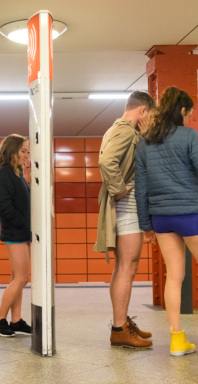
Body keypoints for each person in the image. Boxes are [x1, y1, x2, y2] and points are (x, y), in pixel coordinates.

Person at [136, 87, 196, 356]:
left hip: (161, 218)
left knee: (174, 276)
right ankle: (177, 340)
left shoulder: (145, 142)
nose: (191, 117)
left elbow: (141, 187)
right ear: (182, 111)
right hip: (190, 214)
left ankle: (176, 340)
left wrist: (146, 224)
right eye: (190, 112)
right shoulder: (189, 136)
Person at [94, 90, 156, 349]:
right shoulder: (125, 130)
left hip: (123, 207)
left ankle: (121, 322)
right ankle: (119, 329)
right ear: (142, 110)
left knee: (122, 266)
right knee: (128, 267)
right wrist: (120, 188)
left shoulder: (119, 129)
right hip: (127, 206)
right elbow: (107, 161)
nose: (151, 119)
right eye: (151, 114)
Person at [0, 134, 32, 337]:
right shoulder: (4, 173)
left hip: (23, 232)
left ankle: (15, 320)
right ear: (12, 151)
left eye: (27, 151)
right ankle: (0, 321)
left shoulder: (17, 173)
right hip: (15, 232)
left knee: (18, 277)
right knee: (22, 278)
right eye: (23, 151)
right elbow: (4, 206)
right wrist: (21, 222)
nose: (27, 155)